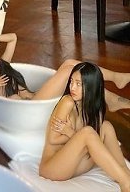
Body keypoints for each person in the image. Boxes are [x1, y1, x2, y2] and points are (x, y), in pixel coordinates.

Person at [0, 33, 130, 110]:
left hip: (35, 97)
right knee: (69, 71)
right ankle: (114, 89)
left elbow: (13, 38)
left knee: (69, 63)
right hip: (28, 108)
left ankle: (114, 86)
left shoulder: (3, 64)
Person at [39, 62, 130, 191]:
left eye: (78, 84)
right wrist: (72, 133)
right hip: (53, 168)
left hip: (75, 164)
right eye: (71, 81)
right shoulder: (67, 102)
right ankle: (125, 183)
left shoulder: (91, 107)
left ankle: (125, 173)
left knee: (106, 126)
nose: (72, 87)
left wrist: (72, 133)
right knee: (87, 133)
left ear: (91, 86)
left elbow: (89, 139)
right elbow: (53, 139)